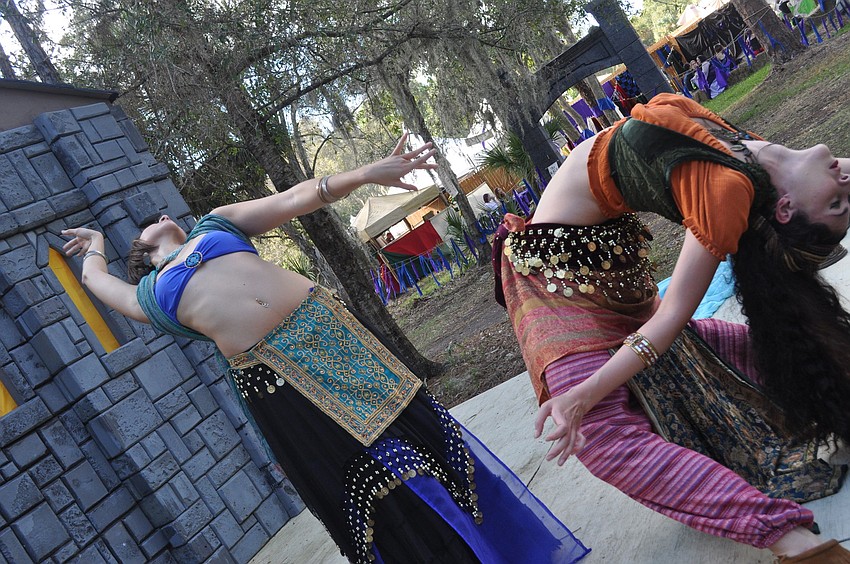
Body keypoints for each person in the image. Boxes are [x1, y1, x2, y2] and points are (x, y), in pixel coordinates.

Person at [62, 134, 589, 564]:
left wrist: (366, 174)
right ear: (143, 252)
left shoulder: (216, 224)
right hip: (280, 383)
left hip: (335, 339)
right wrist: (96, 248)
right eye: (151, 222)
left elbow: (296, 199)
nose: (161, 215)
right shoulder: (150, 294)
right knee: (381, 483)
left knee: (426, 440)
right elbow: (98, 283)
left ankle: (510, 552)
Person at [493, 94, 850, 562]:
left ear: (785, 209)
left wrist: (585, 392)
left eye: (837, 203)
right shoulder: (751, 150)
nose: (845, 182)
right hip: (572, 266)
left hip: (573, 272)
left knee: (595, 429)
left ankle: (799, 545)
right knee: (698, 363)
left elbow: (672, 316)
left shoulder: (727, 189)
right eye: (842, 202)